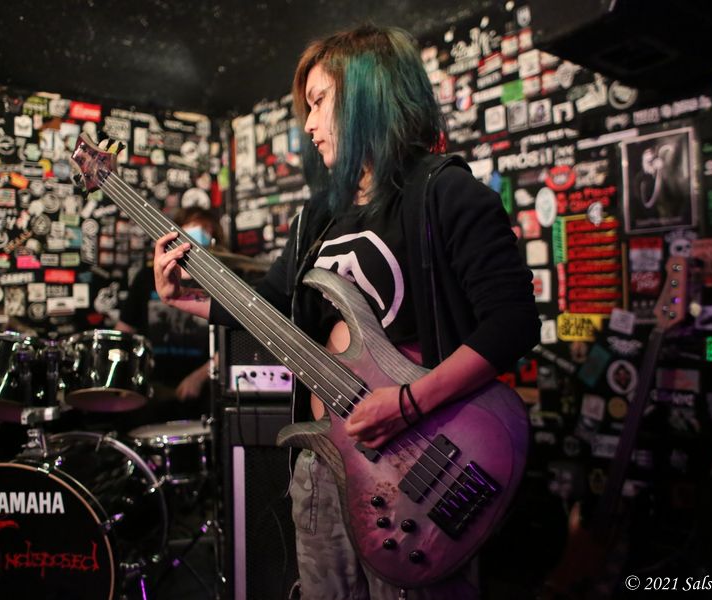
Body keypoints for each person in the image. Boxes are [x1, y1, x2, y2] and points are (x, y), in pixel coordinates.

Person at [152, 25, 540, 599]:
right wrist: (185, 299)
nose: (308, 125)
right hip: (327, 465)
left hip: (422, 463)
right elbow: (272, 310)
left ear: (367, 95)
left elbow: (512, 324)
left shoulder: (446, 193)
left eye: (319, 102)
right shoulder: (317, 218)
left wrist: (407, 403)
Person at [117, 207, 222, 420]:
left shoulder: (221, 282)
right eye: (192, 227)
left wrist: (199, 377)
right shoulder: (146, 277)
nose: (199, 234)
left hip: (203, 395)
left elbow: (233, 342)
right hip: (151, 390)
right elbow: (123, 331)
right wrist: (120, 376)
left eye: (206, 230)